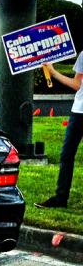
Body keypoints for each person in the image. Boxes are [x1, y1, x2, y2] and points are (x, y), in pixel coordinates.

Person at [34, 54, 83, 209]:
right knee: (66, 154)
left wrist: (53, 72)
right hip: (78, 111)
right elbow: (77, 83)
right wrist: (52, 72)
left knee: (67, 154)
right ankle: (60, 198)